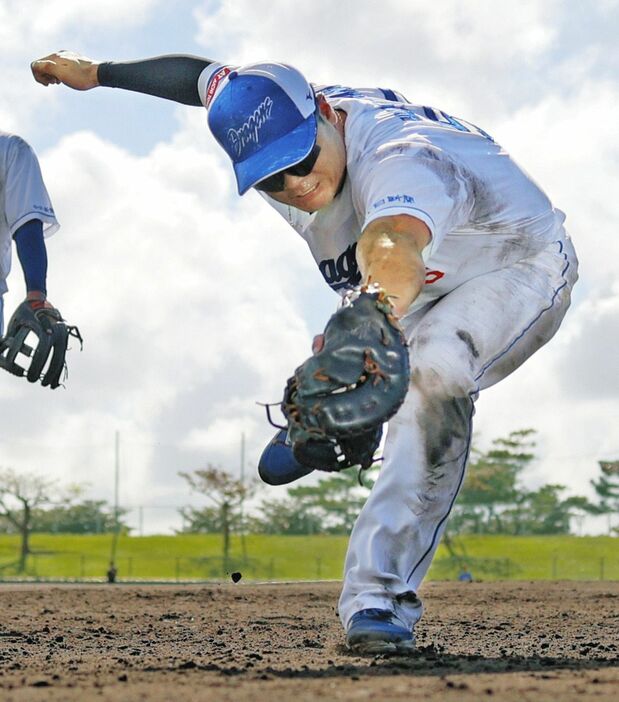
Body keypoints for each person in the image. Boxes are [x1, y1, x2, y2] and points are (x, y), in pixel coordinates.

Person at [31, 50, 578, 654]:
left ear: (325, 112)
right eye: (270, 177)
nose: (295, 185)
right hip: (404, 280)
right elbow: (201, 79)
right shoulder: (271, 108)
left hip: (511, 264)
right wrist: (97, 73)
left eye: (299, 159)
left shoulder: (406, 161)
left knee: (432, 373)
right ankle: (336, 409)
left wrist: (372, 320)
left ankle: (377, 597)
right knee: (368, 352)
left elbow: (393, 239)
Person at [0, 130, 59, 340]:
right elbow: (27, 226)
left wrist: (36, 295)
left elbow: (27, 225)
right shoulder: (9, 149)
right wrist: (36, 294)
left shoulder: (9, 149)